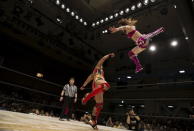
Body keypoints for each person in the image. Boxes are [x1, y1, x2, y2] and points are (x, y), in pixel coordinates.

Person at [80, 53, 115, 129]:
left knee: (99, 105)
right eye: (101, 65)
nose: (101, 65)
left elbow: (88, 79)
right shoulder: (97, 68)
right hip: (98, 82)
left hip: (98, 85)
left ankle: (94, 121)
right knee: (106, 86)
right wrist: (109, 55)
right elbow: (102, 59)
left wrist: (83, 86)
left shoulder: (96, 73)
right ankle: (86, 99)